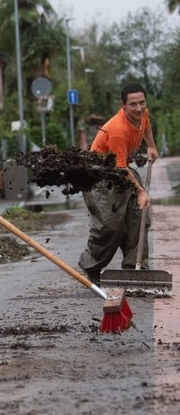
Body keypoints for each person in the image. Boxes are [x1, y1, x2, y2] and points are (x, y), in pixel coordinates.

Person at [78, 82, 159, 284]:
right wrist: (140, 191)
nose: (139, 108)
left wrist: (151, 146)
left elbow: (146, 125)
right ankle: (91, 266)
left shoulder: (143, 113)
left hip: (120, 170)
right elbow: (120, 169)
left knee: (138, 217)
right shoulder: (117, 130)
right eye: (133, 104)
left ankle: (135, 268)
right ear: (123, 106)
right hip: (99, 175)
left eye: (141, 102)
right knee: (110, 225)